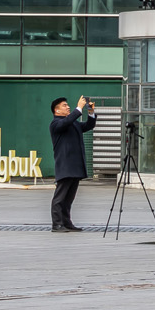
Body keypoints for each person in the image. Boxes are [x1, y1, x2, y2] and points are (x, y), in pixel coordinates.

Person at [48, 95, 96, 233]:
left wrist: (90, 112)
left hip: (75, 166)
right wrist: (79, 108)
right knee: (60, 197)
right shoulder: (56, 123)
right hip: (65, 165)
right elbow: (66, 122)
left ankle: (66, 223)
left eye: (68, 105)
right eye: (64, 105)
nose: (68, 107)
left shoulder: (72, 123)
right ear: (56, 111)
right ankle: (56, 224)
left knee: (69, 198)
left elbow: (88, 125)